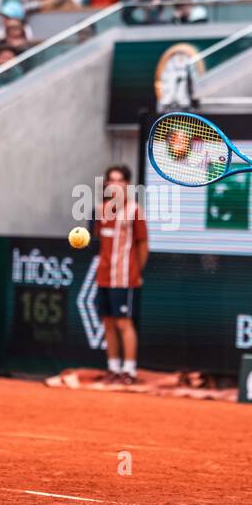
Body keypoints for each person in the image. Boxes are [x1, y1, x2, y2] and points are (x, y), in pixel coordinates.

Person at [96, 164, 148, 386]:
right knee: (108, 323)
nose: (115, 184)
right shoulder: (102, 209)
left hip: (126, 278)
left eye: (120, 180)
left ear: (127, 184)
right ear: (107, 184)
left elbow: (143, 244)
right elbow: (101, 241)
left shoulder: (135, 210)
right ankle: (113, 368)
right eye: (112, 180)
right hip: (104, 276)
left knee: (124, 323)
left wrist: (137, 271)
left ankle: (129, 370)